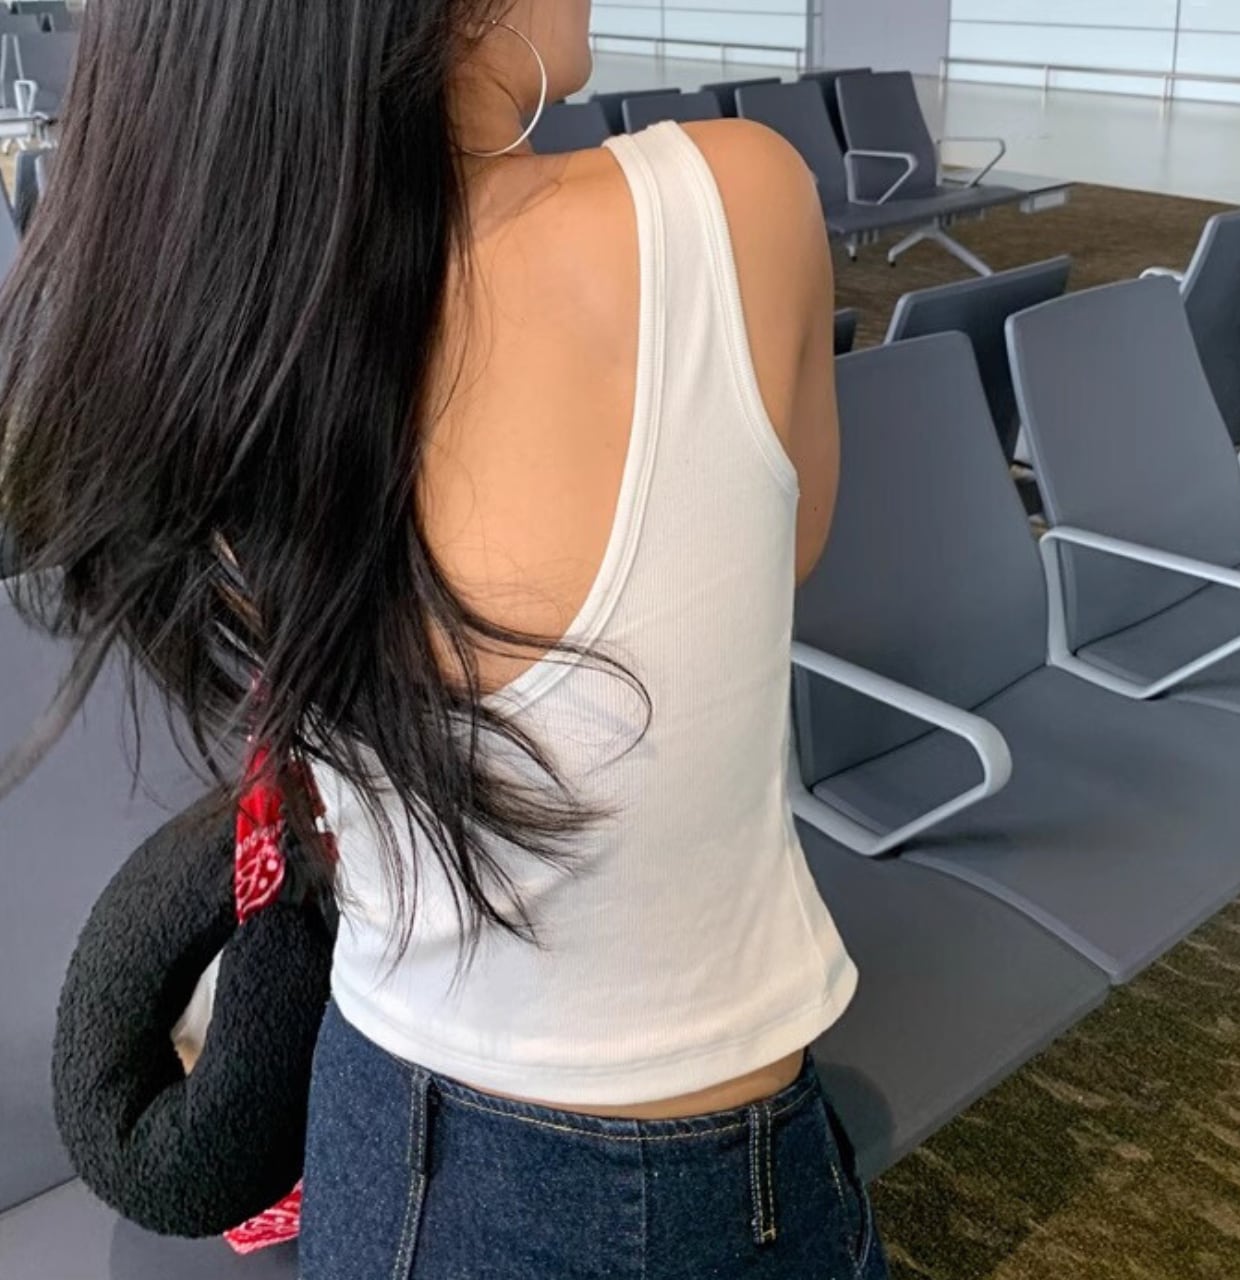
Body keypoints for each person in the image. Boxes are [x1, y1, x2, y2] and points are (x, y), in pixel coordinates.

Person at [0, 1, 890, 1276]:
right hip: (710, 1177)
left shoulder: (216, 334)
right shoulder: (731, 205)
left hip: (378, 1134)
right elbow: (776, 556)